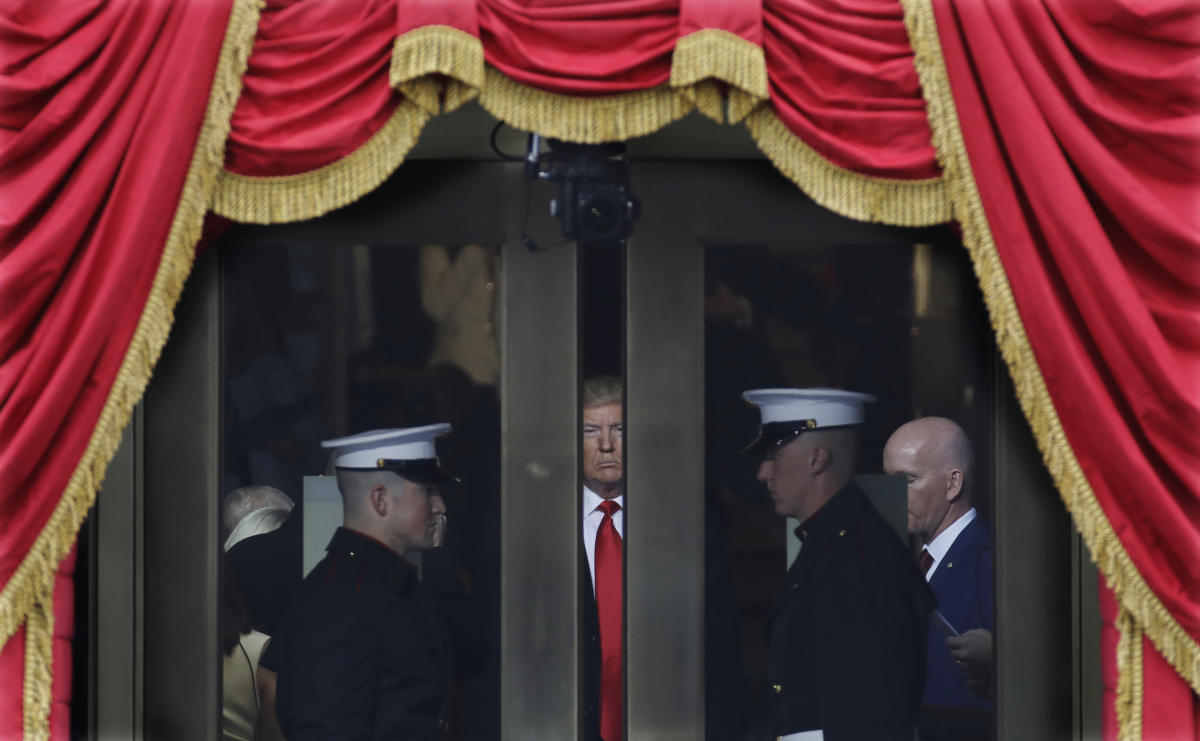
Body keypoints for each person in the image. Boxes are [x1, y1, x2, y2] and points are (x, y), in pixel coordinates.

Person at [742, 387, 934, 741]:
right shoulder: (834, 544)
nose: (763, 472)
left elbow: (874, 712)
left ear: (817, 459)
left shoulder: (858, 557)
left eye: (775, 454)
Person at [268, 424, 480, 740]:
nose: (440, 506)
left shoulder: (397, 585)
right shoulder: (339, 599)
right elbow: (325, 727)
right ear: (380, 499)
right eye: (427, 491)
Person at [579, 377, 747, 741]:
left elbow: (720, 646)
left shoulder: (690, 522)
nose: (607, 444)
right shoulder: (538, 525)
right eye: (591, 431)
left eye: (619, 429)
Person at [883, 417, 993, 741]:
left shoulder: (988, 559)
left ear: (952, 484)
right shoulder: (908, 561)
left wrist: (1002, 658)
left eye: (908, 480)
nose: (894, 495)